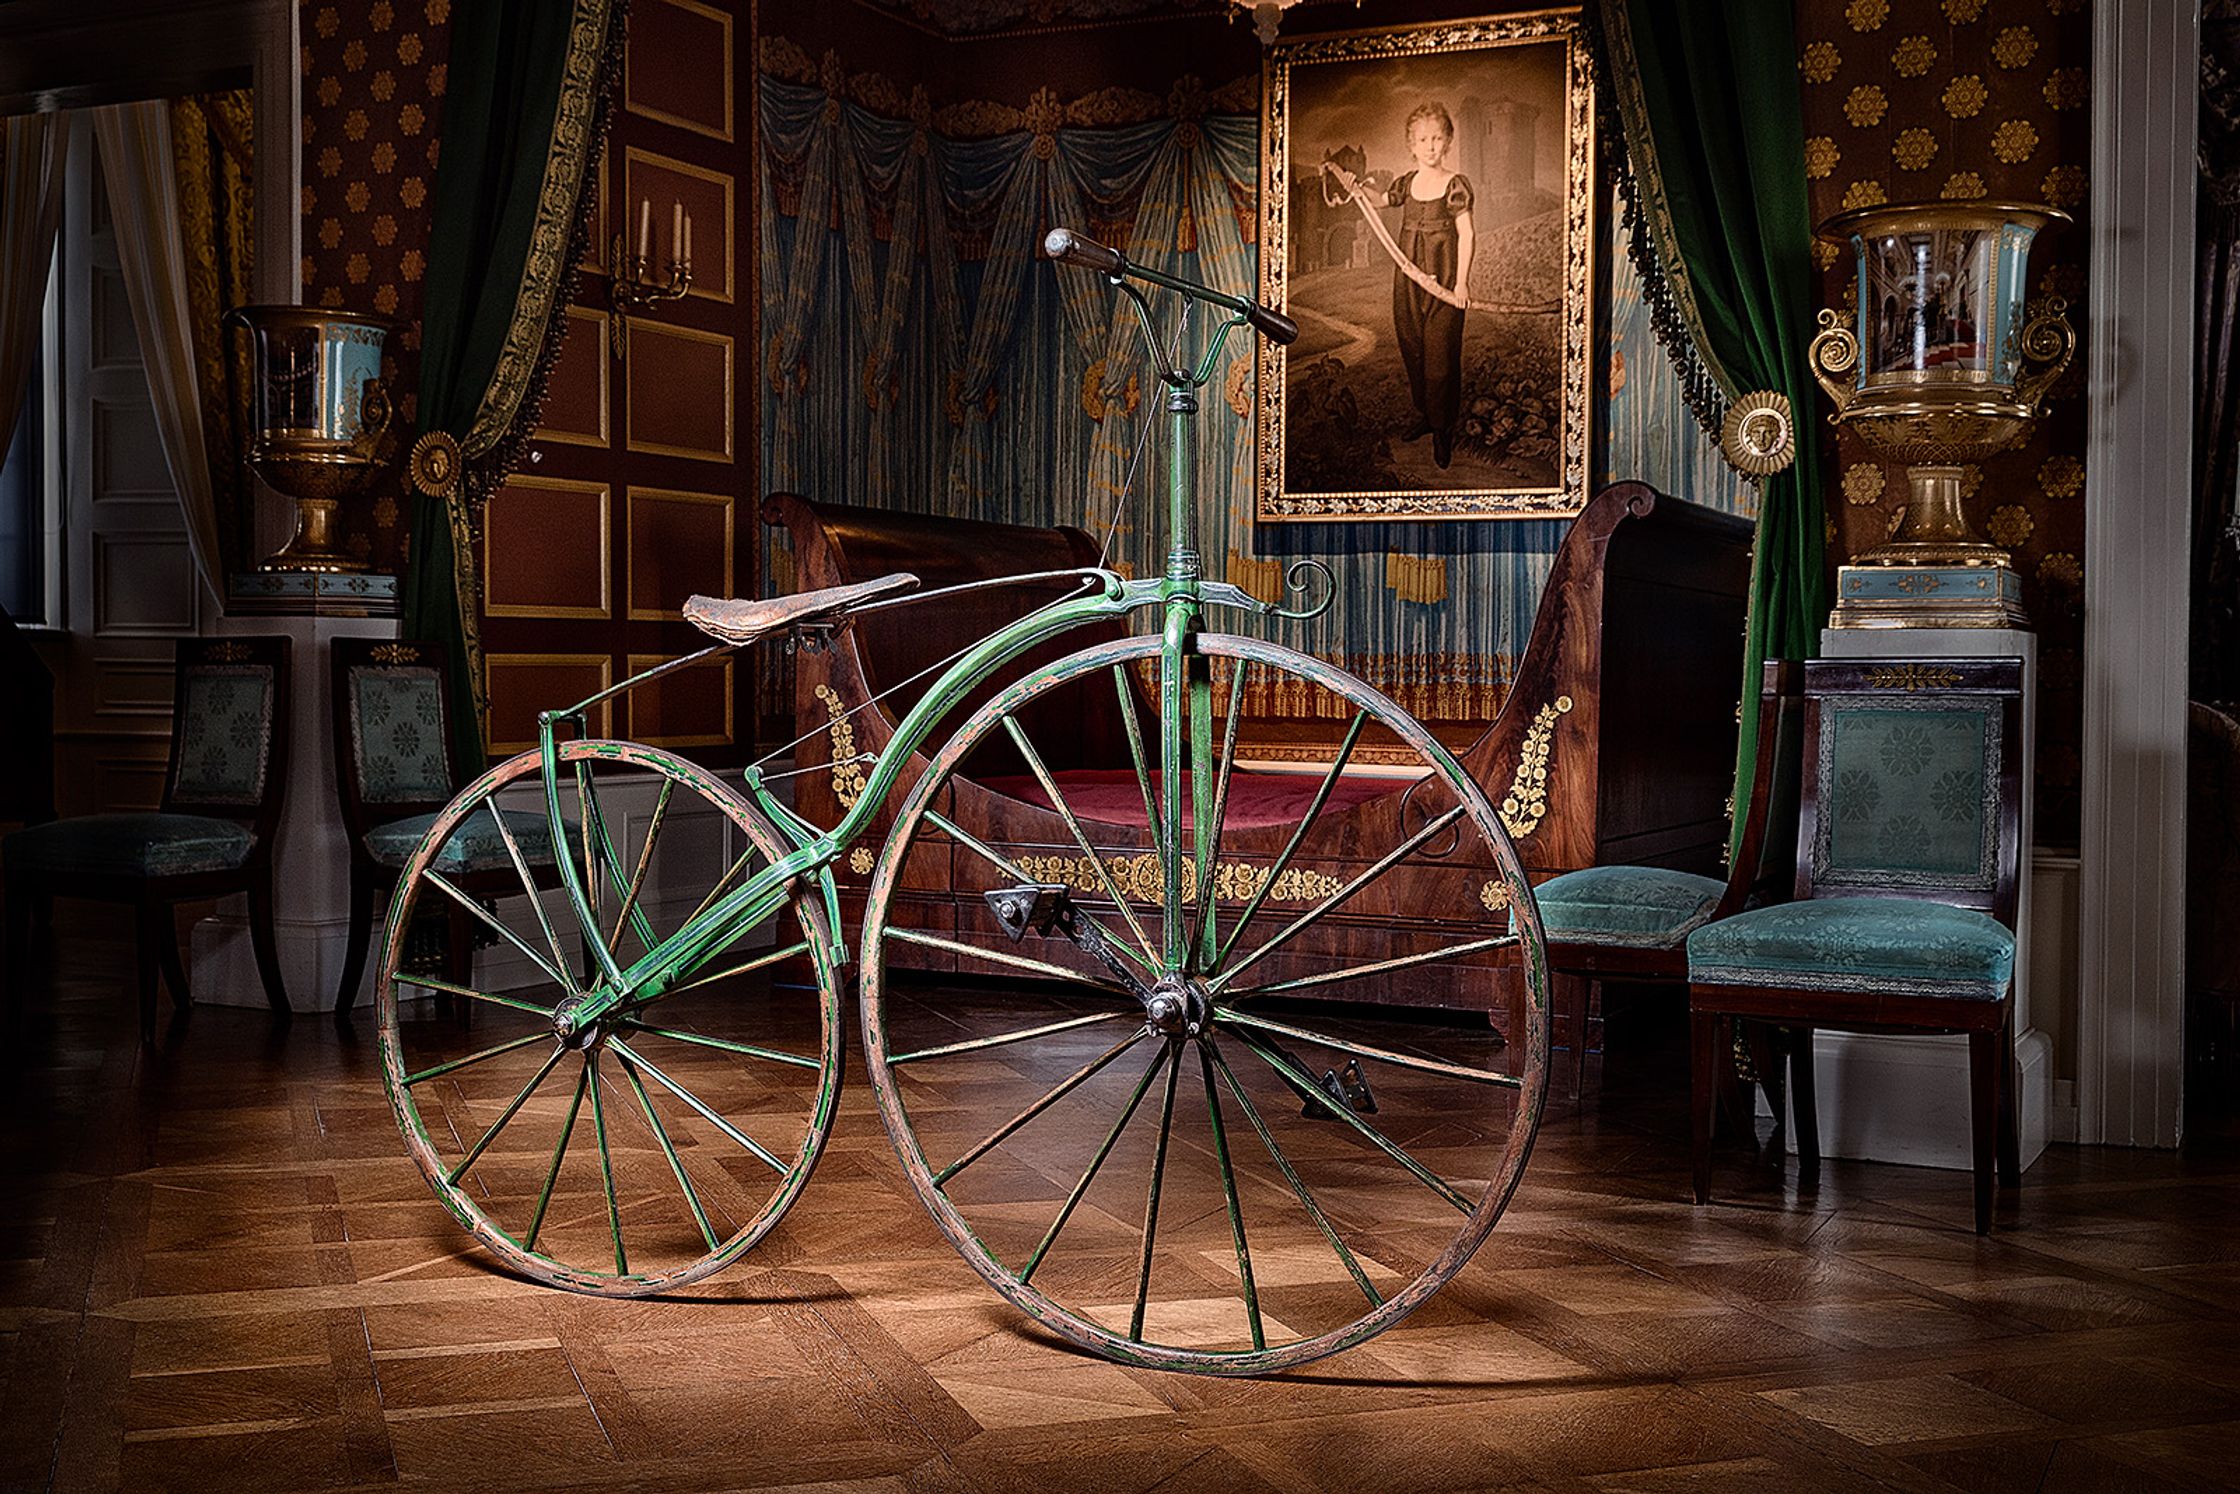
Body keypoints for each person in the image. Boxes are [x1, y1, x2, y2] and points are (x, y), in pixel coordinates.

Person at [1330, 104, 1475, 468]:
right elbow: (1380, 201)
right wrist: (1358, 188)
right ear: (1412, 144)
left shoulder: (1455, 185)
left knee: (1440, 361)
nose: (1430, 146)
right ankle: (1426, 415)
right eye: (1422, 139)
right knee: (1412, 347)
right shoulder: (1407, 183)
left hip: (1442, 282)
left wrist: (1461, 282)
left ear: (1448, 142)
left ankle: (1443, 430)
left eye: (1437, 138)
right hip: (1408, 278)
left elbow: (1467, 233)